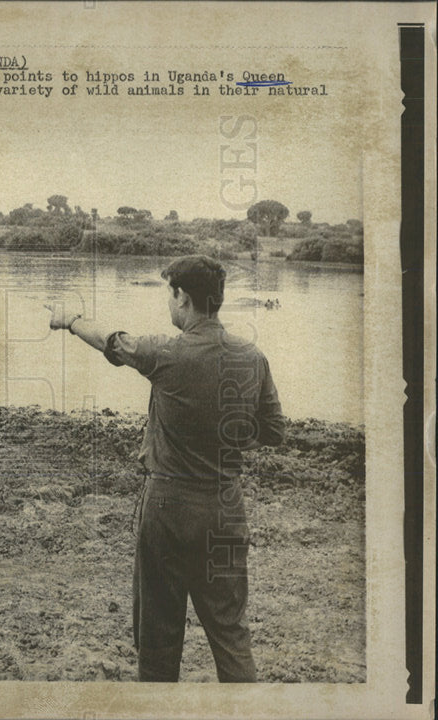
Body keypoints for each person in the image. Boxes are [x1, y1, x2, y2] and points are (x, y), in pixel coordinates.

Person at [48, 255, 286, 682]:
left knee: (158, 639)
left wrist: (70, 320)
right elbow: (274, 431)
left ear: (182, 296)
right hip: (226, 507)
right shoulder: (253, 357)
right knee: (232, 636)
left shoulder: (167, 353)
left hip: (168, 507)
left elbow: (113, 342)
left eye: (169, 294)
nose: (169, 303)